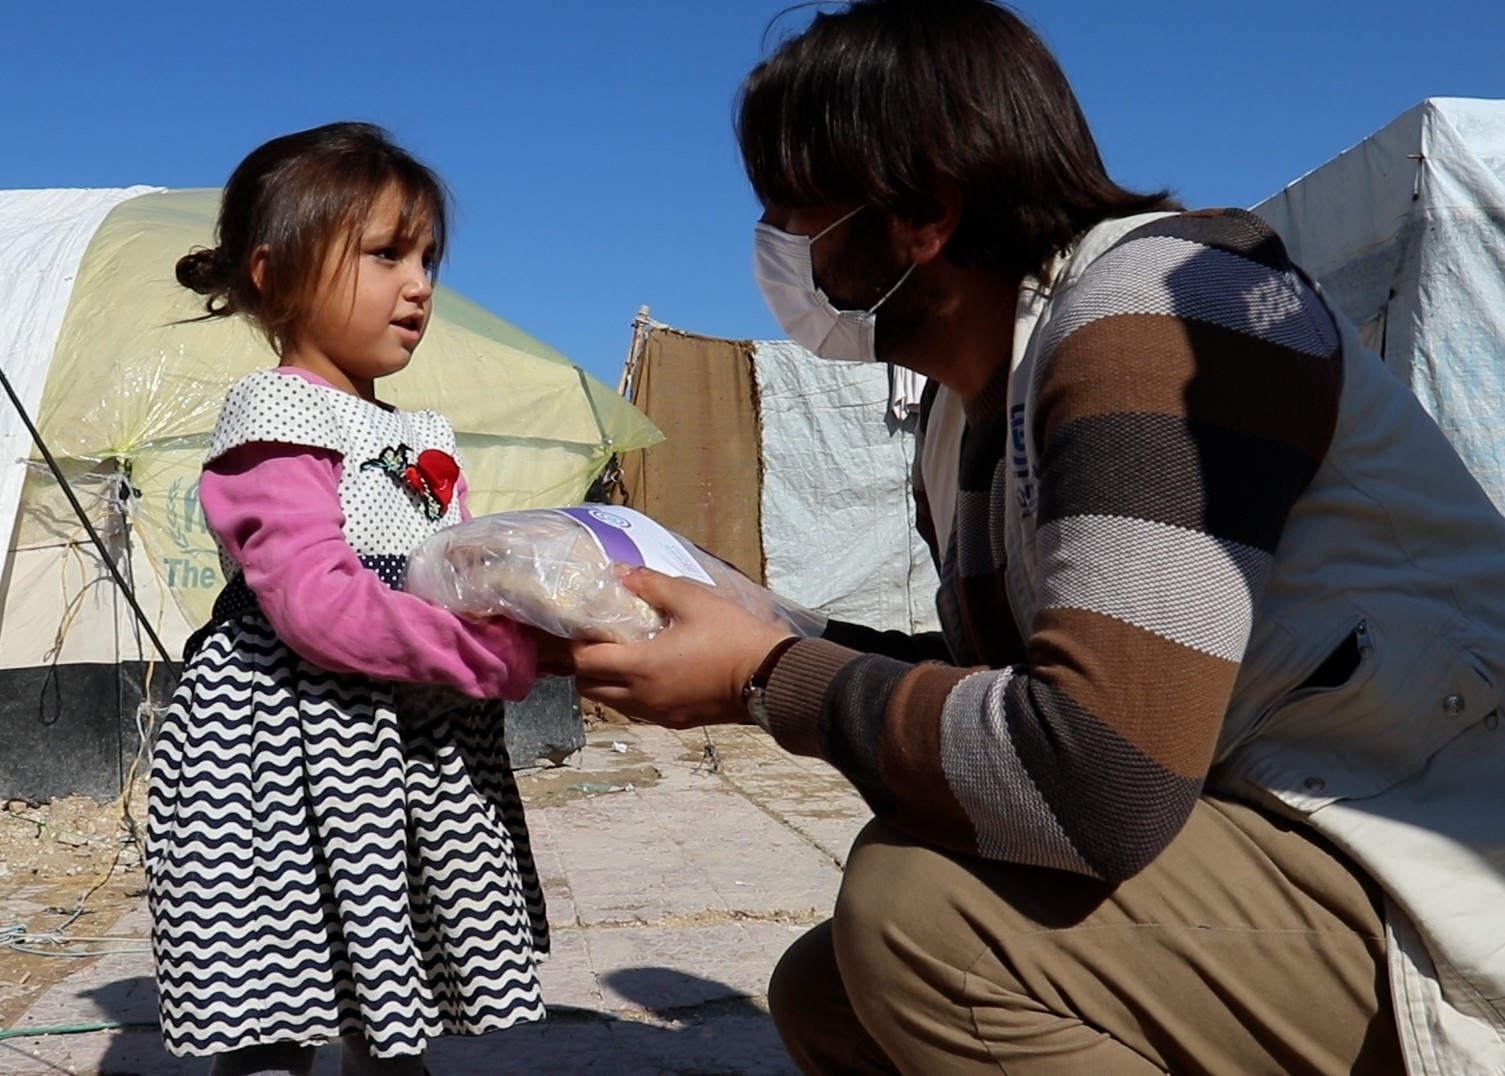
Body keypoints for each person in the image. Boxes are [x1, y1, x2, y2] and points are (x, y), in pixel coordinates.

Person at [567, 2, 1505, 1073]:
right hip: (1285, 836)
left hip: (1429, 873)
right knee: (827, 992)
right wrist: (771, 623)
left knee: (921, 918)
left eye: (794, 207)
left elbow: (1097, 775)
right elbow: (1010, 692)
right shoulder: (970, 413)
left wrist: (765, 677)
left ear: (920, 214)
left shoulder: (1167, 310)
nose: (776, 247)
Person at [145, 122, 548, 1076]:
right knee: (274, 1011)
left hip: (398, 749)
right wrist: (493, 656)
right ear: (274, 275)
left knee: (390, 999)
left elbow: (450, 566)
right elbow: (317, 604)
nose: (420, 285)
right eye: (385, 255)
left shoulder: (414, 430)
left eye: (428, 259)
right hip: (285, 754)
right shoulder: (276, 416)